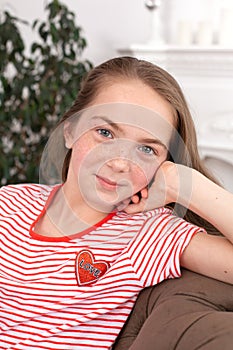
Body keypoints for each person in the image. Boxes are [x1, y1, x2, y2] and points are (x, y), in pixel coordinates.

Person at [0, 56, 233, 350]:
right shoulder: (9, 203)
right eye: (105, 133)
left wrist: (187, 185)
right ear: (69, 131)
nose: (120, 162)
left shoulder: (149, 235)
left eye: (147, 149)